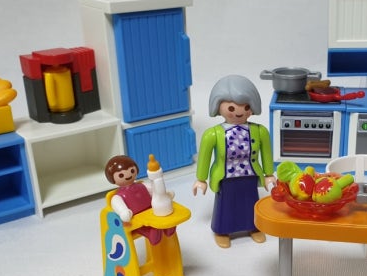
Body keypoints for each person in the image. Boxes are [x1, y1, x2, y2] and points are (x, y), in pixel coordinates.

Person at [193, 75, 275, 248]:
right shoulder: (212, 134)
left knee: (251, 202)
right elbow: (204, 158)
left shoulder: (260, 131)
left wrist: (269, 174)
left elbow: (267, 153)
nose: (239, 112)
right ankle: (223, 230)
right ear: (218, 105)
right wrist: (201, 179)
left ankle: (254, 226)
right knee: (226, 205)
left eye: (246, 107)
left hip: (250, 174)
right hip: (226, 177)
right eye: (231, 107)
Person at [104, 155, 175, 245]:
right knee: (148, 229)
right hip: (135, 219)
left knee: (166, 217)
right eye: (121, 175)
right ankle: (150, 233)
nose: (128, 175)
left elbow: (155, 191)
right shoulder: (118, 196)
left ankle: (167, 228)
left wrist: (164, 195)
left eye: (132, 171)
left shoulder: (142, 185)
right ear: (112, 179)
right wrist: (123, 212)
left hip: (151, 213)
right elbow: (116, 203)